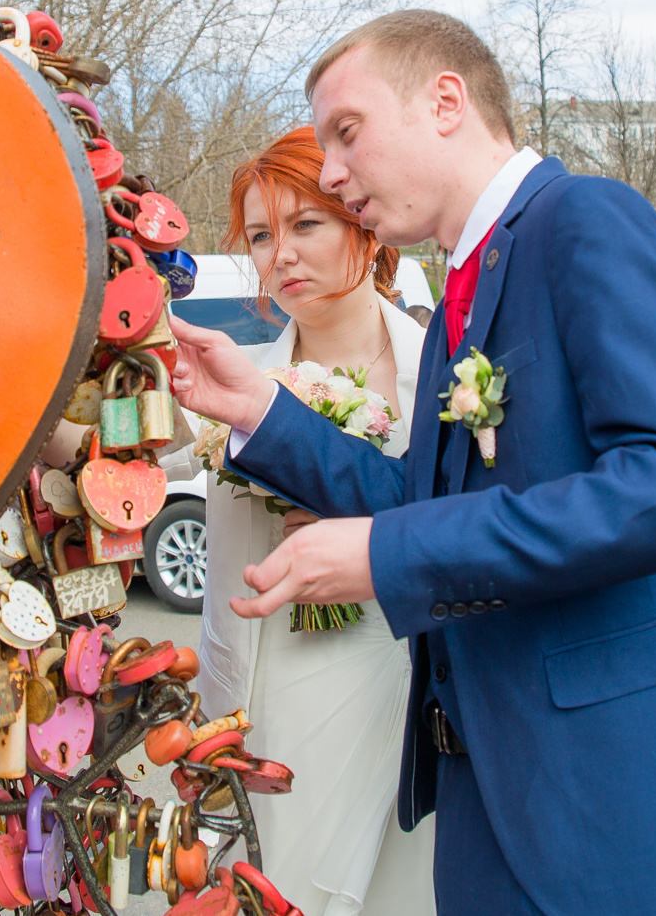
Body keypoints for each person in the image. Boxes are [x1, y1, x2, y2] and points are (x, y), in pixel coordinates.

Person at [170, 10, 656, 916]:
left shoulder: (582, 222)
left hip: (600, 797)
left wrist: (385, 557)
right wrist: (262, 410)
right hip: (490, 789)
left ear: (445, 101)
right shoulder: (460, 293)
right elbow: (422, 500)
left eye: (347, 132)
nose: (332, 171)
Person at [199, 126, 436, 916]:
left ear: (362, 222)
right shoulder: (238, 382)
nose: (282, 254)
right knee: (285, 879)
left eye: (306, 224)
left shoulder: (439, 370)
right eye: (262, 235)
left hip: (412, 669)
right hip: (282, 680)